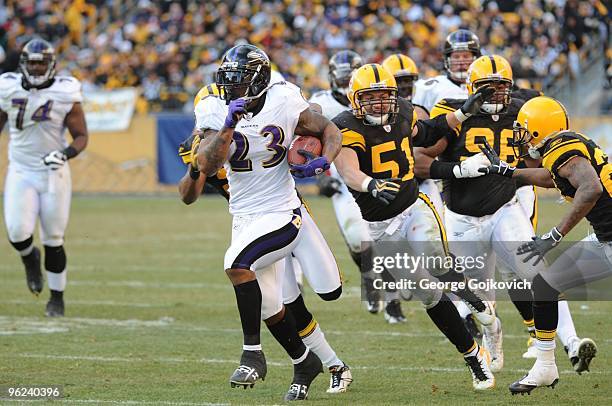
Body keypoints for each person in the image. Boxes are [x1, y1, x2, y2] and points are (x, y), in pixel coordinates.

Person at [179, 84, 352, 394]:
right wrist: (196, 165)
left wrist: (310, 149)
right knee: (274, 306)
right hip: (248, 221)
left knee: (328, 290)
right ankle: (314, 363)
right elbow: (190, 191)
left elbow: (314, 117)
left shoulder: (273, 106)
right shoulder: (208, 139)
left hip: (286, 211)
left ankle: (253, 354)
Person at [333, 63, 498, 390]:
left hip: (413, 206)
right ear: (355, 99)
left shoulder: (402, 113)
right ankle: (473, 354)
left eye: (385, 96)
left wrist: (463, 112)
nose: (380, 104)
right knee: (427, 293)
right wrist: (370, 185)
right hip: (379, 225)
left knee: (435, 257)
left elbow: (430, 131)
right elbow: (348, 169)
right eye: (371, 97)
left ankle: (472, 297)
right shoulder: (345, 126)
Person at [479, 96, 606, 394]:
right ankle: (545, 367)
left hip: (609, 240)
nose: (520, 136)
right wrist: (510, 173)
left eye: (524, 129)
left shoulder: (563, 151)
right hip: (605, 238)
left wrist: (554, 236)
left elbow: (591, 188)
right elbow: (554, 179)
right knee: (545, 284)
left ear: (537, 129)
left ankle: (547, 365)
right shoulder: (566, 146)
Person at [0, 38, 88, 317]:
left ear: (51, 65)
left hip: (53, 171)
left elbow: (82, 136)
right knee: (17, 232)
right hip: (21, 169)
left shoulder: (65, 91)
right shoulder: (8, 86)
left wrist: (65, 153)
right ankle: (29, 258)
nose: (37, 69)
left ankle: (57, 298)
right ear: (23, 64)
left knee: (53, 236)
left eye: (42, 63)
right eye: (32, 63)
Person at [310, 50, 395, 319]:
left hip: (380, 174)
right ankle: (370, 277)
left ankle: (391, 292)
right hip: (343, 178)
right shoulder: (320, 103)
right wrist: (320, 175)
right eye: (343, 75)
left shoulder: (378, 99)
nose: (347, 79)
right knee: (358, 240)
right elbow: (311, 144)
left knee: (390, 236)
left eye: (351, 75)